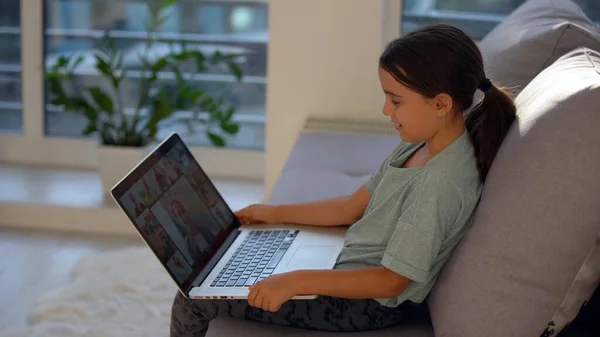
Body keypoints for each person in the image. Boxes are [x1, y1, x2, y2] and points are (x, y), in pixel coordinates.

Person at [170, 24, 517, 337]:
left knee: (193, 299)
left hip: (367, 306)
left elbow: (392, 280)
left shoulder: (441, 183)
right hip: (349, 271)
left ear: (441, 104)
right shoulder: (419, 147)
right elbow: (353, 207)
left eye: (395, 100)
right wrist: (271, 213)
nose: (386, 110)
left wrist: (296, 281)